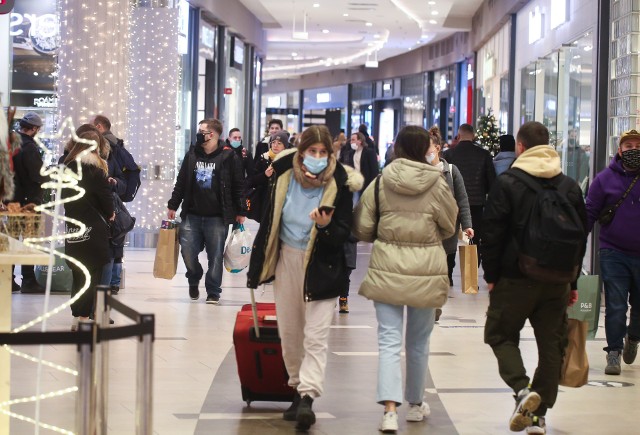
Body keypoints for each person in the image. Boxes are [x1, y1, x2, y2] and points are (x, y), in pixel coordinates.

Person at [247, 125, 363, 431]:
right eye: (312, 152)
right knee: (291, 332)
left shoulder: (339, 182)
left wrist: (325, 226)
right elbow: (269, 219)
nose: (317, 158)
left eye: (323, 153)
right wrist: (258, 265)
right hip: (287, 260)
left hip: (323, 267)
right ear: (301, 153)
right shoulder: (285, 177)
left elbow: (344, 233)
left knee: (316, 335)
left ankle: (308, 397)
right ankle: (297, 389)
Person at [481, 121, 587, 435]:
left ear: (521, 147)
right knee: (552, 347)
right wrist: (574, 282)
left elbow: (492, 233)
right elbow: (580, 236)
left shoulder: (508, 182)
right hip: (557, 280)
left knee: (499, 335)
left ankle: (522, 391)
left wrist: (492, 275)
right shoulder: (568, 185)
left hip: (515, 277)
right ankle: (539, 418)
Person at [353, 125, 458, 434]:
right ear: (424, 149)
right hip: (426, 270)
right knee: (418, 341)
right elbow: (449, 225)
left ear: (397, 148)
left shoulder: (381, 182)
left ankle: (388, 411)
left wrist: (383, 236)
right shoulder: (438, 184)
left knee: (388, 340)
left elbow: (362, 226)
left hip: (387, 268)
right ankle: (414, 405)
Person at [167, 119, 246, 304]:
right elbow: (182, 181)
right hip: (191, 214)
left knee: (215, 256)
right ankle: (194, 277)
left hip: (217, 217)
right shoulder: (193, 153)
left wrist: (241, 210)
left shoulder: (229, 157)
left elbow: (238, 186)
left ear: (212, 135)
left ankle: (213, 291)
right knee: (187, 252)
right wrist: (173, 204)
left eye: (202, 130)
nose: (199, 133)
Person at [585, 129, 640, 375]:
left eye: (638, 146)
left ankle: (634, 337)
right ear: (619, 150)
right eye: (629, 146)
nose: (633, 151)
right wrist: (576, 244)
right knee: (616, 305)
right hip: (613, 251)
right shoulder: (604, 179)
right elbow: (589, 212)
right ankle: (614, 352)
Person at [62, 130, 115, 331]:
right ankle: (83, 316)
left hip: (73, 225)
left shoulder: (67, 166)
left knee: (77, 272)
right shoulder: (97, 169)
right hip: (93, 228)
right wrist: (111, 214)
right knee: (91, 274)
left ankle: (77, 315)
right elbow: (106, 198)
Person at [427, 127, 473, 289]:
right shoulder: (419, 171)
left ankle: (446, 277)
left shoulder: (451, 171)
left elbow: (462, 199)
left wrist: (467, 225)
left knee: (448, 256)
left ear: (437, 148)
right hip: (426, 224)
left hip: (448, 224)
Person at [443, 123, 496, 264]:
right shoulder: (484, 155)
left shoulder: (449, 154)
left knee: (449, 239)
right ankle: (472, 278)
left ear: (458, 135)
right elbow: (492, 182)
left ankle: (449, 273)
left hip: (452, 203)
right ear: (473, 136)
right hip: (476, 203)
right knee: (473, 239)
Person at [92, 115, 131, 294]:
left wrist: (114, 181)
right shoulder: (84, 161)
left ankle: (112, 283)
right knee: (108, 247)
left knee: (115, 244)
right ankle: (103, 285)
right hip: (94, 208)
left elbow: (124, 183)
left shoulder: (112, 157)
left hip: (111, 206)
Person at [12, 112, 48, 293]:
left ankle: (8, 279)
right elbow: (37, 175)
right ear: (33, 129)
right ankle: (28, 281)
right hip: (29, 202)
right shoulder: (29, 148)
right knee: (29, 240)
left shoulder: (9, 143)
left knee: (10, 240)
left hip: (10, 201)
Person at [246, 130, 288, 223]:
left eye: (279, 143)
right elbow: (252, 180)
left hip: (282, 202)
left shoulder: (288, 161)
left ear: (285, 146)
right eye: (273, 142)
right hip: (264, 202)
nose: (275, 145)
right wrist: (265, 175)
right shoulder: (263, 159)